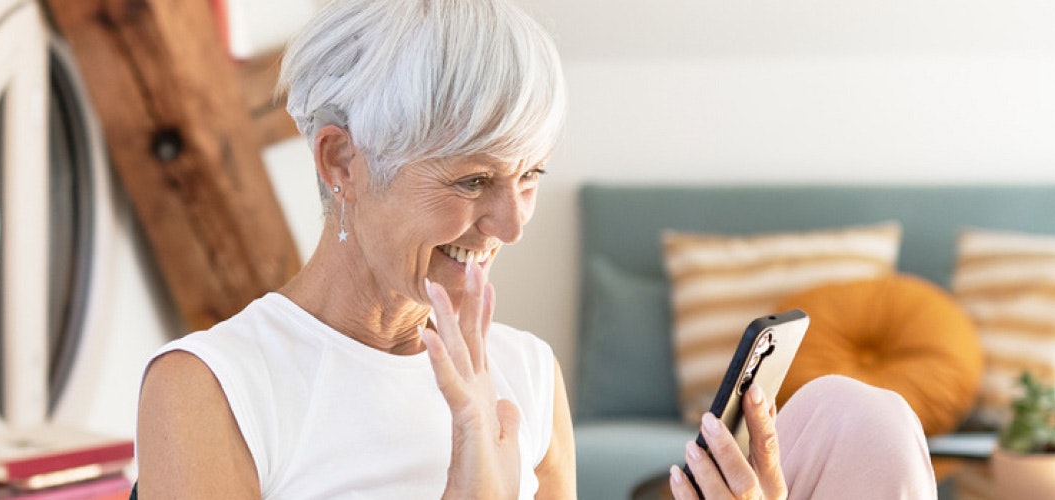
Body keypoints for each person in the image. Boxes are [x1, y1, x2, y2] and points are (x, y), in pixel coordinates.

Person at [135, 0, 938, 498]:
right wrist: (473, 470)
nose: (512, 225)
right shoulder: (214, 390)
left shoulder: (525, 369)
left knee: (858, 422)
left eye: (529, 175)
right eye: (473, 179)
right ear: (342, 160)